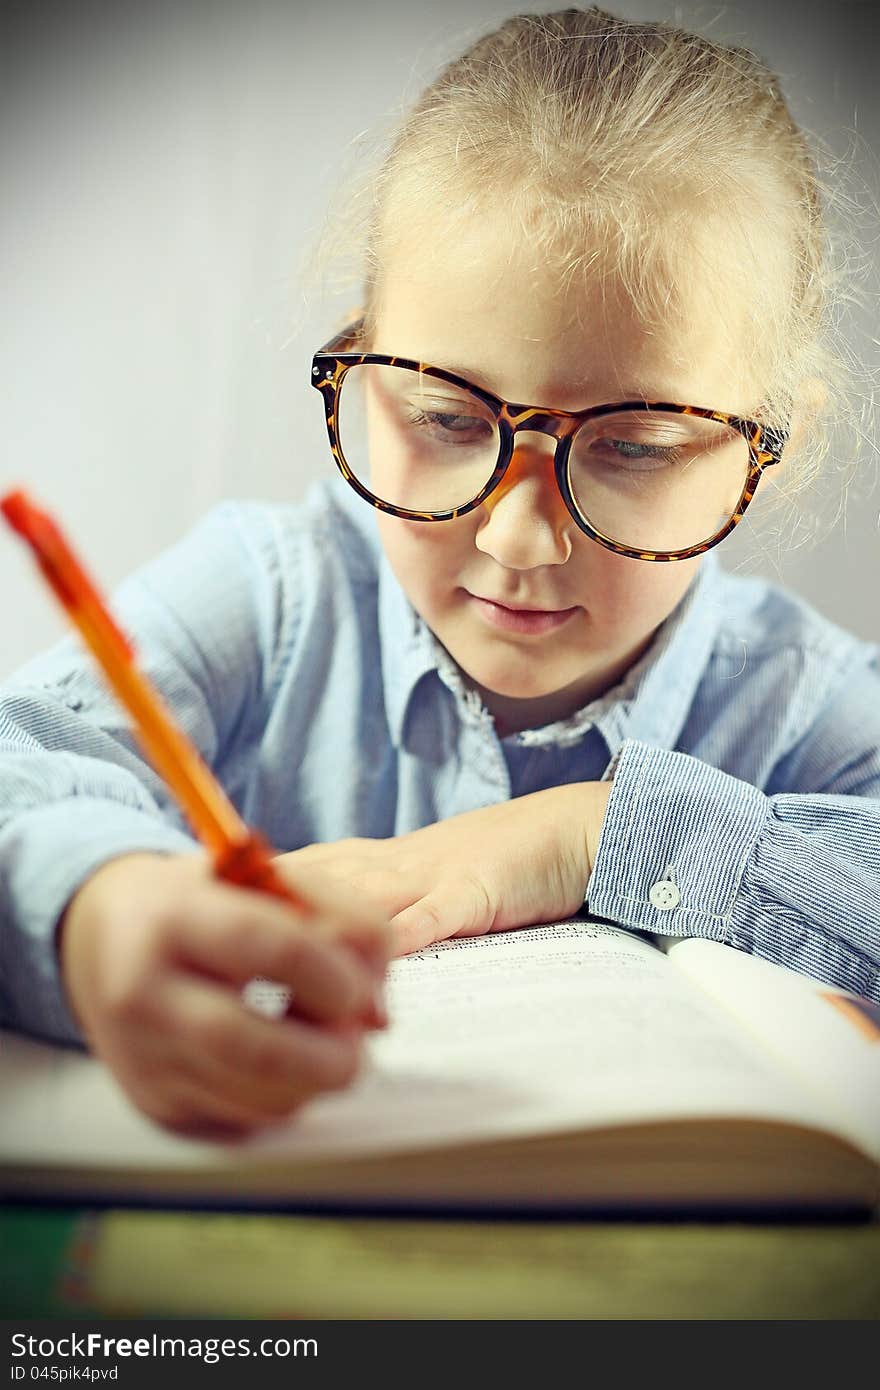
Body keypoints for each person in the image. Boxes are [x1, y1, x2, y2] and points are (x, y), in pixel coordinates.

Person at [2, 7, 878, 1139]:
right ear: (363, 373)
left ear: (770, 450)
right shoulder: (271, 597)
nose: (516, 538)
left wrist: (591, 834)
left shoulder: (796, 695)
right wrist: (92, 909)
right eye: (445, 416)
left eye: (632, 448)